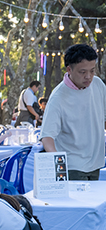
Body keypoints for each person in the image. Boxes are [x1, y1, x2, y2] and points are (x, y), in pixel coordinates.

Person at [41, 44, 106, 181]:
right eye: (82, 72)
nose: (88, 77)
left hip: (96, 163)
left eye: (92, 71)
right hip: (72, 167)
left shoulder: (98, 85)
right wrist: (61, 167)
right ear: (69, 69)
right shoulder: (58, 97)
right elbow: (47, 137)